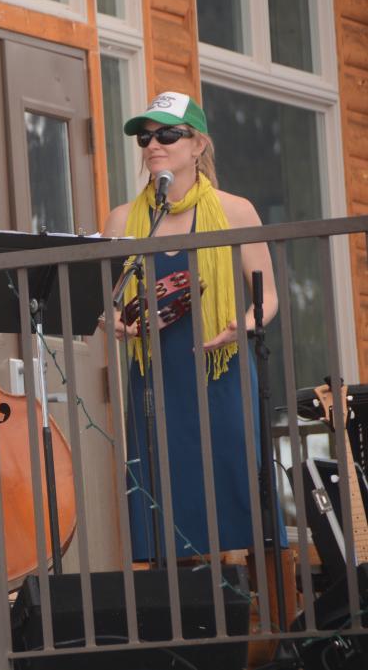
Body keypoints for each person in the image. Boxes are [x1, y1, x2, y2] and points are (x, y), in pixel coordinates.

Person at [103, 91, 280, 562]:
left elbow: (268, 297)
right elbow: (104, 304)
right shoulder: (123, 219)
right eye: (146, 136)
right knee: (166, 503)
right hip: (156, 380)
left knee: (234, 499)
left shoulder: (235, 210)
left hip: (220, 371)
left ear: (198, 144)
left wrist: (240, 327)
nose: (153, 144)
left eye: (167, 134)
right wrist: (116, 323)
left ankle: (249, 620)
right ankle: (185, 618)